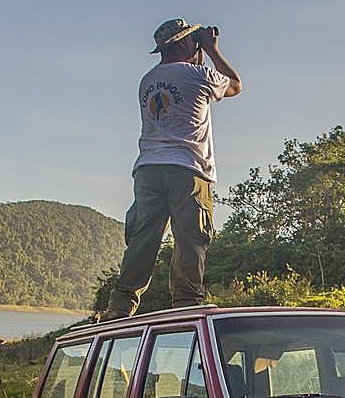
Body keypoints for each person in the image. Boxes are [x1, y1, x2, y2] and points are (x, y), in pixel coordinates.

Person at [103, 18, 242, 320]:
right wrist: (213, 50)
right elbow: (234, 85)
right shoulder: (199, 75)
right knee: (191, 238)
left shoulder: (148, 79)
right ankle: (187, 305)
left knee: (144, 237)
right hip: (187, 168)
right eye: (193, 39)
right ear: (185, 43)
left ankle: (121, 305)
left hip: (148, 169)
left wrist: (199, 49)